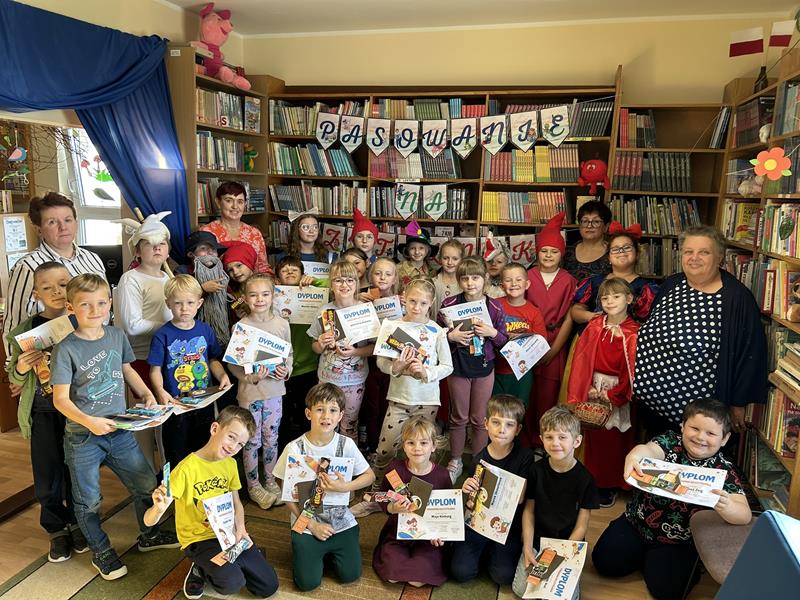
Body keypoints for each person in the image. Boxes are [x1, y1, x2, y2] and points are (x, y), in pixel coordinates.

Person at [51, 274, 179, 581]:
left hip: (120, 431)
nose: (94, 310)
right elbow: (60, 400)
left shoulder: (116, 335)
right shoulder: (65, 349)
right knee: (88, 501)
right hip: (83, 438)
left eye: (101, 303)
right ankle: (101, 551)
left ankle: (149, 534)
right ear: (71, 307)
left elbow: (126, 370)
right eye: (85, 305)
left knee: (146, 486)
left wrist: (147, 394)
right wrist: (90, 422)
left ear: (110, 303)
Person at [592, 399, 751, 600]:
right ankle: (645, 557)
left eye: (711, 433)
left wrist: (727, 506)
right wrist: (633, 457)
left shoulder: (724, 470)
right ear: (683, 426)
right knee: (605, 563)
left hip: (679, 541)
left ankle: (658, 561)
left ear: (724, 438)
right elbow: (648, 450)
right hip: (636, 524)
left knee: (669, 592)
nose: (701, 437)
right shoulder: (669, 442)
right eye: (694, 428)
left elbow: (744, 515)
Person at [634, 225, 767, 436]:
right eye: (688, 252)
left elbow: (750, 354)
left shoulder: (736, 298)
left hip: (698, 421)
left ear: (720, 257)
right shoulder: (672, 285)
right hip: (652, 405)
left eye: (704, 252)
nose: (694, 258)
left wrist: (738, 403)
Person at [143, 406, 279, 600]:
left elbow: (236, 503)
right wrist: (158, 508)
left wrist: (240, 528)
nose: (233, 447)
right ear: (215, 429)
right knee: (232, 582)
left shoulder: (230, 464)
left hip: (228, 533)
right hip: (199, 539)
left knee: (268, 586)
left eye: (240, 444)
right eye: (231, 437)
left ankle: (231, 563)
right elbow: (148, 521)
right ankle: (200, 568)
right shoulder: (185, 469)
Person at [351, 278, 453, 516]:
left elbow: (447, 366)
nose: (416, 307)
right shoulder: (392, 326)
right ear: (404, 298)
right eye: (412, 301)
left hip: (427, 401)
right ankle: (375, 496)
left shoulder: (436, 332)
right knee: (385, 450)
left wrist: (426, 372)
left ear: (431, 303)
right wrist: (396, 367)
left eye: (423, 303)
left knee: (424, 451)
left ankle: (421, 497)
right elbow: (381, 362)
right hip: (398, 399)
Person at [7, 262, 86, 562]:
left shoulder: (81, 321)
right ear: (35, 293)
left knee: (76, 469)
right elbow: (15, 377)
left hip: (76, 409)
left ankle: (80, 523)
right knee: (48, 472)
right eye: (47, 287)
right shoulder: (24, 331)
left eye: (63, 284)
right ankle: (56, 529)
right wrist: (22, 366)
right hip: (42, 410)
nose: (56, 291)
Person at [273, 383, 376, 592]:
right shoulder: (295, 448)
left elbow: (369, 476)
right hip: (306, 517)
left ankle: (326, 552)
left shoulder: (346, 444)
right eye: (320, 409)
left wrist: (345, 486)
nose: (326, 416)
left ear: (340, 416)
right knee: (307, 583)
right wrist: (310, 525)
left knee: (350, 575)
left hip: (339, 516)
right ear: (308, 413)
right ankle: (310, 552)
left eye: (333, 410)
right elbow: (284, 490)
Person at [3, 192, 105, 364]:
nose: (63, 227)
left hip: (94, 357)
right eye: (52, 222)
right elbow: (13, 324)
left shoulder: (93, 259)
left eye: (67, 219)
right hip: (50, 361)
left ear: (76, 222)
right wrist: (16, 371)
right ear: (38, 229)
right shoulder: (28, 267)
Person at [511, 406, 598, 599]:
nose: (555, 443)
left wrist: (563, 553)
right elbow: (529, 511)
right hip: (538, 541)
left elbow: (582, 526)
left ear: (577, 441)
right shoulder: (535, 471)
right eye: (549, 437)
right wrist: (527, 546)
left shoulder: (586, 480)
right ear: (542, 440)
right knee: (521, 590)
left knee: (564, 597)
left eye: (562, 437)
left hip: (567, 544)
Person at [567, 278, 639, 507]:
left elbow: (633, 370)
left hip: (617, 391)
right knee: (595, 437)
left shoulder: (633, 332)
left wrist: (613, 394)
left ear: (628, 299)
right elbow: (582, 360)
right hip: (594, 386)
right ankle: (595, 481)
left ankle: (613, 484)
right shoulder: (595, 325)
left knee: (616, 439)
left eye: (616, 296)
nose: (610, 301)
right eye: (605, 298)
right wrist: (586, 386)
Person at [148, 275, 232, 466]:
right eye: (178, 303)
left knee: (203, 448)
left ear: (199, 303)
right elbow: (154, 370)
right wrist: (160, 392)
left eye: (190, 302)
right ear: (168, 303)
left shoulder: (205, 330)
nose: (184, 308)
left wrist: (222, 376)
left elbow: (212, 359)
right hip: (175, 405)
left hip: (204, 403)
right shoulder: (162, 335)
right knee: (177, 452)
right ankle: (177, 493)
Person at [451, 395, 534, 586]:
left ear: (518, 429)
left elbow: (520, 498)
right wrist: (466, 489)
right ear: (486, 424)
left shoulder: (525, 457)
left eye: (509, 425)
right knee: (460, 572)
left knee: (503, 576)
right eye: (496, 422)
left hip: (507, 526)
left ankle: (491, 553)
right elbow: (471, 504)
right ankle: (481, 552)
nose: (501, 429)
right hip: (479, 524)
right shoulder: (479, 459)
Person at [439, 256, 508, 482]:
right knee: (459, 417)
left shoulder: (495, 306)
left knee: (479, 418)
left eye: (475, 278)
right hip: (458, 366)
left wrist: (492, 334)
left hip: (484, 367)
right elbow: (436, 337)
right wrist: (451, 336)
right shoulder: (449, 305)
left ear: (485, 279)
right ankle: (456, 459)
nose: (470, 283)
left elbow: (504, 340)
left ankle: (479, 460)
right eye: (465, 278)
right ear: (459, 280)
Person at [227, 273, 292, 510]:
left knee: (272, 439)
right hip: (250, 394)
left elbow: (289, 355)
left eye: (265, 294)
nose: (260, 299)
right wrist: (250, 377)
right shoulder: (241, 327)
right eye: (253, 295)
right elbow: (233, 363)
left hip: (276, 392)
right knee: (251, 441)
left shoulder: (282, 324)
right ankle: (253, 485)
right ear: (244, 298)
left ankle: (271, 480)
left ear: (273, 296)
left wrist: (286, 370)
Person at [372, 416, 451, 587]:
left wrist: (440, 533)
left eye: (423, 443)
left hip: (428, 537)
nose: (417, 449)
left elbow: (449, 511)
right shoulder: (395, 469)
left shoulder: (442, 475)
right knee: (393, 575)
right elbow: (383, 495)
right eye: (411, 443)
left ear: (434, 446)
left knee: (417, 581)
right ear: (403, 446)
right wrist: (392, 507)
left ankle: (421, 563)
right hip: (397, 533)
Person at [307, 260, 374, 440]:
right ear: (331, 284)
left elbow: (374, 348)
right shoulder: (324, 311)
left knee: (349, 425)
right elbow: (314, 346)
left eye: (350, 280)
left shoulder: (365, 310)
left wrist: (355, 352)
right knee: (325, 424)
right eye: (338, 280)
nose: (344, 285)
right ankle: (324, 462)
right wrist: (320, 343)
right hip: (327, 379)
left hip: (354, 380)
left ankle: (349, 464)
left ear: (357, 283)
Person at [525, 213, 576, 447]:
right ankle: (525, 439)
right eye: (544, 250)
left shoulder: (568, 280)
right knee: (527, 392)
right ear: (537, 252)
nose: (548, 255)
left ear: (561, 254)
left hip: (555, 339)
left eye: (554, 251)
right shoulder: (527, 276)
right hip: (527, 340)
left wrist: (553, 350)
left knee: (548, 392)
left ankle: (544, 442)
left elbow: (569, 317)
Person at [114, 212, 173, 389]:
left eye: (162, 243)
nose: (157, 248)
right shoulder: (131, 279)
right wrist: (173, 327)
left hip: (170, 355)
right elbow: (132, 326)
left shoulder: (169, 278)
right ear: (137, 251)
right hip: (143, 358)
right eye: (149, 243)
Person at [570, 222, 658, 333]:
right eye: (615, 249)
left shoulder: (646, 288)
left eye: (627, 248)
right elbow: (575, 311)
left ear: (637, 254)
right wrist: (592, 316)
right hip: (592, 341)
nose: (621, 252)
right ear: (609, 257)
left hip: (627, 342)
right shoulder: (595, 282)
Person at [275, 256, 320, 450]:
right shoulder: (272, 299)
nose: (291, 272)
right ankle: (284, 451)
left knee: (306, 413)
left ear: (303, 275)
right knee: (282, 414)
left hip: (308, 366)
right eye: (285, 270)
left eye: (295, 269)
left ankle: (305, 450)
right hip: (281, 368)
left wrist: (315, 282)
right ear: (277, 279)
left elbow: (333, 284)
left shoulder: (315, 293)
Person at [359, 257, 399, 453]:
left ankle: (387, 449)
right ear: (370, 275)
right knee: (370, 407)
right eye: (378, 273)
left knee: (387, 406)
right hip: (369, 361)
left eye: (388, 274)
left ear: (394, 279)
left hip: (392, 363)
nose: (382, 277)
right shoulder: (360, 298)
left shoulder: (400, 302)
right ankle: (373, 447)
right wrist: (358, 301)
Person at [492, 262, 546, 405]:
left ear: (527, 284)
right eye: (508, 280)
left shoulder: (534, 312)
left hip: (522, 373)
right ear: (502, 285)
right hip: (494, 370)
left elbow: (541, 344)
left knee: (518, 409)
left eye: (518, 279)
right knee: (494, 409)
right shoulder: (494, 305)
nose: (513, 283)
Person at [200, 181, 271, 274]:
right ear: (218, 202)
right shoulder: (206, 232)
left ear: (245, 204)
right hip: (218, 285)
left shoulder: (254, 233)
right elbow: (200, 267)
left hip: (252, 285)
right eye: (229, 200)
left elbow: (263, 268)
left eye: (240, 201)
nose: (235, 206)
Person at [562, 200, 611, 282]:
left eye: (596, 221)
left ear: (606, 227)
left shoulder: (613, 252)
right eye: (585, 221)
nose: (589, 226)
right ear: (579, 225)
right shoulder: (567, 251)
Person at [397, 220, 439, 287]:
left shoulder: (432, 272)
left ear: (427, 250)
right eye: (412, 248)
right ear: (407, 250)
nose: (417, 252)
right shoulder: (398, 268)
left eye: (421, 248)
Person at [222, 241, 258, 321]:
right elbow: (233, 307)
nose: (235, 272)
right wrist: (236, 316)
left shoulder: (266, 284)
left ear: (249, 262)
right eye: (230, 270)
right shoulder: (233, 294)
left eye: (239, 265)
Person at [433, 239, 463, 316]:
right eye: (445, 258)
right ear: (440, 259)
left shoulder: (466, 284)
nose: (450, 262)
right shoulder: (433, 283)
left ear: (461, 260)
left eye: (455, 259)